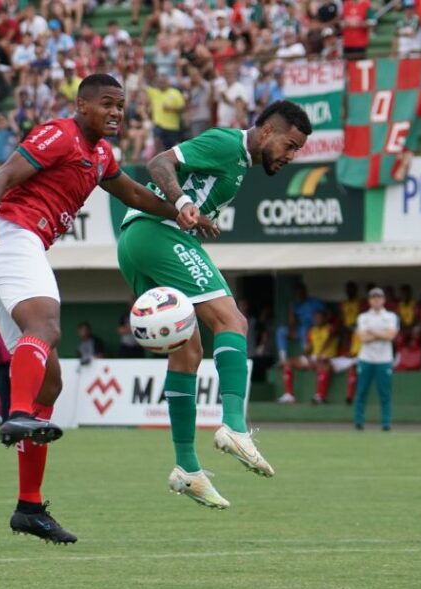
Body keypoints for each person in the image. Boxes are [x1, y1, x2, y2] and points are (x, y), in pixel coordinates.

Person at [0, 74, 195, 542]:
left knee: (50, 377)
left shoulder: (101, 155)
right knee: (46, 325)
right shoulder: (59, 134)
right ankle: (21, 412)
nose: (116, 112)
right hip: (10, 237)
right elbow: (7, 174)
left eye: (121, 106)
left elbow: (131, 193)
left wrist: (178, 212)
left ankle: (29, 507)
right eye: (107, 104)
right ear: (82, 105)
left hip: (7, 253)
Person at [117, 100, 311, 508]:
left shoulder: (237, 165)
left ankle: (187, 469)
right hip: (159, 234)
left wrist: (193, 209)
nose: (291, 157)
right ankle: (235, 427)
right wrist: (184, 205)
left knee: (187, 352)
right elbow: (158, 163)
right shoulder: (227, 143)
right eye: (290, 145)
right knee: (232, 321)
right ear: (266, 132)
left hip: (138, 240)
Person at [352, 288, 399, 431]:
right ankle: (359, 421)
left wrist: (372, 332)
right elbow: (363, 338)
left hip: (384, 360)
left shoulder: (390, 316)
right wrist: (381, 333)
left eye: (379, 297)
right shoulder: (363, 317)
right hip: (366, 358)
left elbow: (391, 336)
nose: (376, 300)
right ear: (369, 300)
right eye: (373, 297)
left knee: (385, 393)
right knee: (361, 391)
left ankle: (386, 423)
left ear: (383, 300)